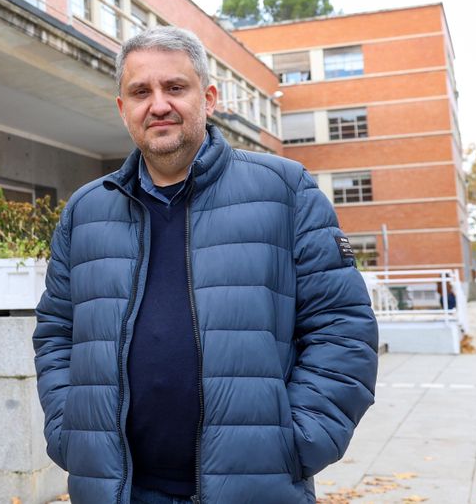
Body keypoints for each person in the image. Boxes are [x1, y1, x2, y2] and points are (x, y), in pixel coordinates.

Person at [33, 26, 378, 504]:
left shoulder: (284, 190)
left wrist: (298, 441)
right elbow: (56, 331)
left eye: (175, 87)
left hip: (253, 486)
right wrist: (68, 429)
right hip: (117, 490)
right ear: (122, 108)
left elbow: (342, 328)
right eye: (140, 92)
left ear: (208, 97)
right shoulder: (86, 210)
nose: (158, 105)